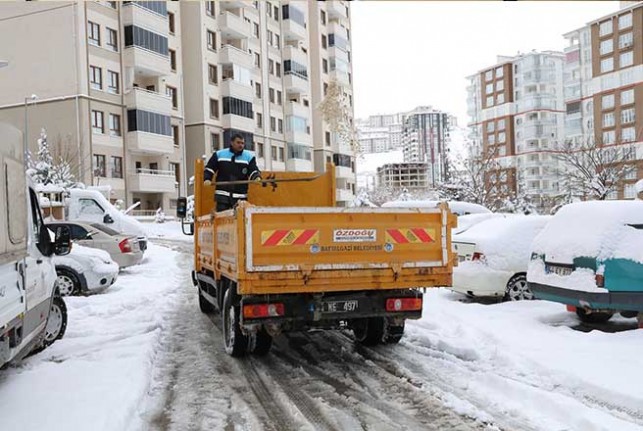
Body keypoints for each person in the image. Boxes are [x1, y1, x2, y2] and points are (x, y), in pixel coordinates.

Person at [204, 133, 261, 211]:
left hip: (240, 197)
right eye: (238, 143)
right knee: (222, 220)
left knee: (240, 220)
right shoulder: (219, 154)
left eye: (242, 143)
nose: (241, 145)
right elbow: (209, 169)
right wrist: (207, 179)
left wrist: (256, 177)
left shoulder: (249, 157)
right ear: (231, 142)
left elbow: (253, 170)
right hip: (222, 195)